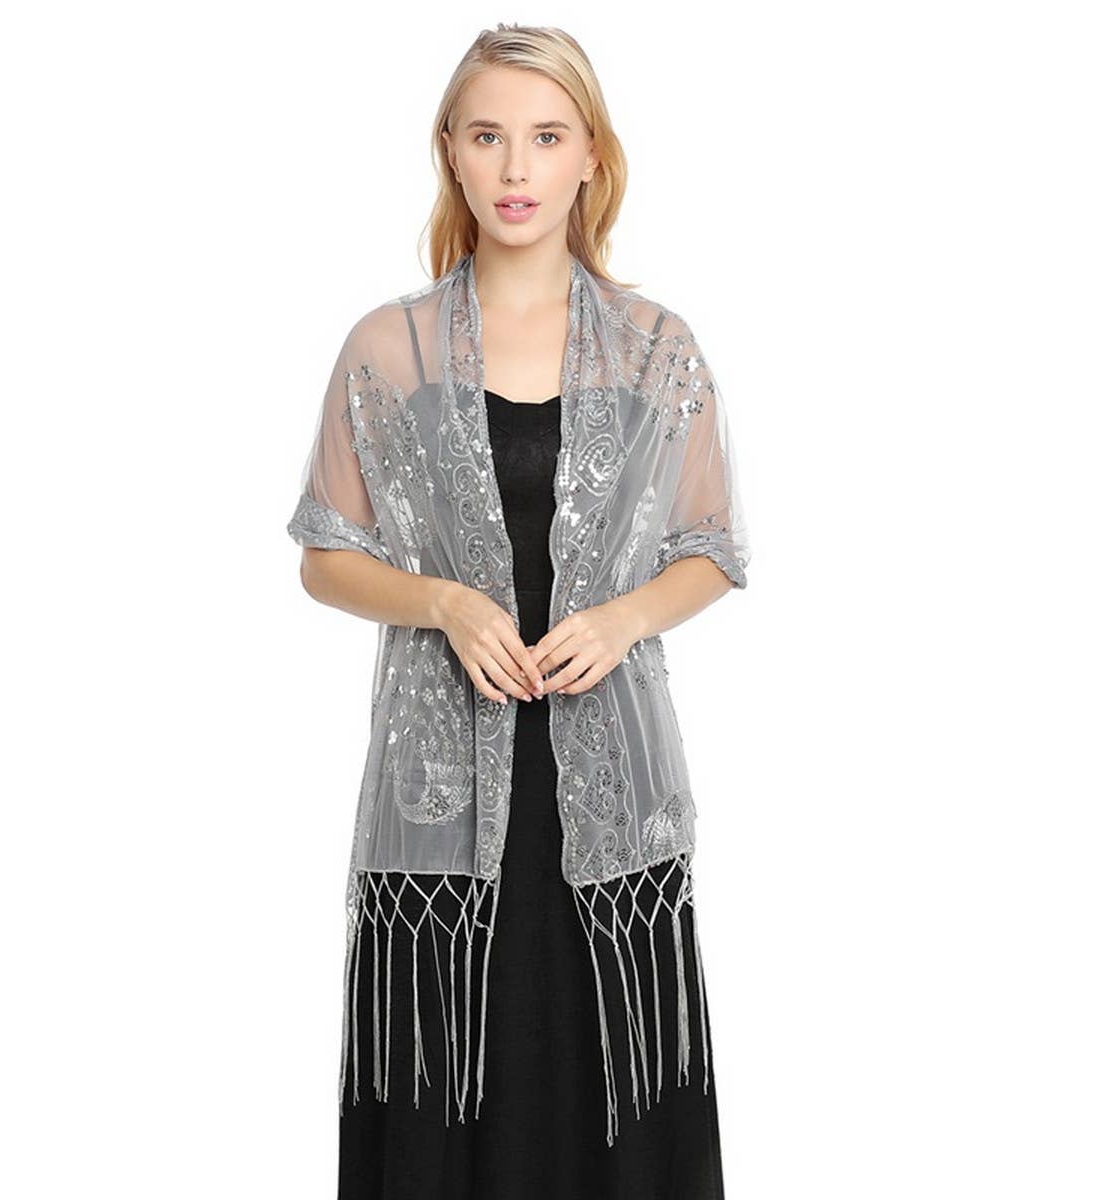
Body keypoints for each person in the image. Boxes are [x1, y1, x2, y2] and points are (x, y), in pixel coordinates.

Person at [289, 23, 750, 1200]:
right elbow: (326, 557)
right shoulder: (388, 348)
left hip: (611, 801)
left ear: (592, 155)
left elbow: (712, 550)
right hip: (437, 799)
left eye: (546, 138)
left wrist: (626, 619)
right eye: (489, 136)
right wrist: (440, 601)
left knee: (611, 1108)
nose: (515, 169)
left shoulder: (655, 350)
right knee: (443, 1106)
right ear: (449, 149)